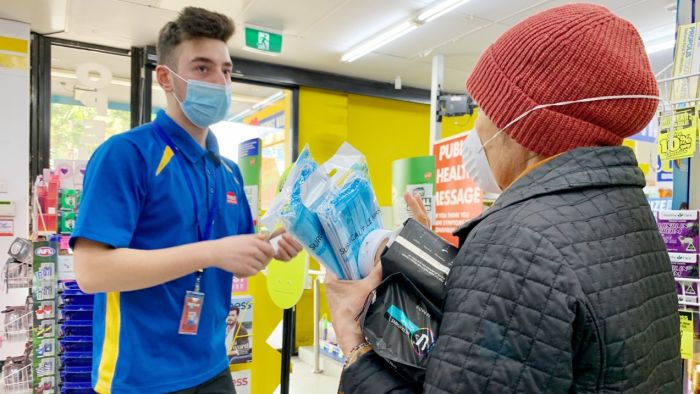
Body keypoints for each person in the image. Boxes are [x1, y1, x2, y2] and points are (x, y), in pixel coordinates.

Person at [326, 4, 681, 393]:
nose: (476, 127)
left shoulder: (516, 243)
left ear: (523, 124)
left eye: (484, 106)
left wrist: (355, 345)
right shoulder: (627, 217)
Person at [70, 7, 302, 393]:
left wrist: (270, 247)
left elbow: (236, 260)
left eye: (225, 71)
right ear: (166, 77)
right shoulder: (127, 154)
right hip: (139, 375)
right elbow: (92, 272)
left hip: (212, 364)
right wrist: (210, 253)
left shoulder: (227, 170)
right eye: (201, 68)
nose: (218, 81)